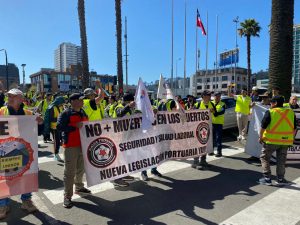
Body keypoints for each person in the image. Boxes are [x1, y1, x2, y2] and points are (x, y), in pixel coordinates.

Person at [0, 88, 43, 219]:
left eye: (13, 96)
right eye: (9, 96)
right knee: (4, 178)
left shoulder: (28, 113)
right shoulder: (1, 111)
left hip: (23, 150)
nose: (10, 98)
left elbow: (39, 131)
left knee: (26, 174)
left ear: (21, 99)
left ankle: (26, 200)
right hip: (5, 151)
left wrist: (40, 123)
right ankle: (3, 204)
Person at [56, 93, 91, 208]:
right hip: (71, 146)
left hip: (83, 145)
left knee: (81, 169)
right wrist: (74, 126)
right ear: (73, 101)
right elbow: (59, 127)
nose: (82, 102)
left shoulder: (82, 112)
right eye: (80, 100)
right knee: (69, 172)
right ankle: (67, 196)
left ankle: (79, 187)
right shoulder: (66, 113)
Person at [258, 96, 295, 186]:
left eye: (271, 102)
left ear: (275, 103)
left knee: (265, 158)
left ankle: (267, 179)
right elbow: (294, 128)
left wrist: (261, 137)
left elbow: (263, 126)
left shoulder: (271, 112)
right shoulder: (290, 112)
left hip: (271, 141)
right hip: (285, 142)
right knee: (281, 160)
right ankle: (280, 179)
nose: (270, 104)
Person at [111, 93, 136, 187]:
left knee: (125, 157)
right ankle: (117, 178)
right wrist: (128, 106)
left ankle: (124, 174)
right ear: (128, 101)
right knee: (119, 158)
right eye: (131, 101)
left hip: (126, 137)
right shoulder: (119, 107)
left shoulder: (128, 108)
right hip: (119, 137)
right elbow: (119, 115)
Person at [192, 90, 216, 170]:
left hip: (207, 128)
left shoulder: (211, 104)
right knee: (198, 145)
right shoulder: (197, 104)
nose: (209, 97)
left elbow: (215, 113)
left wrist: (213, 111)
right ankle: (195, 162)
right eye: (207, 95)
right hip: (198, 129)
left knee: (206, 144)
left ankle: (203, 160)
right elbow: (191, 115)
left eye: (209, 95)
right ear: (203, 96)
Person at [44, 96, 65, 161]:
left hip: (60, 126)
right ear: (58, 102)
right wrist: (60, 118)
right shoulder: (52, 108)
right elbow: (51, 119)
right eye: (61, 103)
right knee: (56, 141)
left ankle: (57, 153)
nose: (62, 104)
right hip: (54, 127)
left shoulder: (61, 107)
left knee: (60, 141)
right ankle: (56, 154)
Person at [211, 92, 225, 157]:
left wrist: (214, 112)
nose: (217, 97)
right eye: (216, 96)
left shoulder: (222, 104)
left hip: (219, 124)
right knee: (211, 138)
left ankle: (219, 152)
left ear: (220, 97)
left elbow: (220, 112)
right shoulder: (211, 103)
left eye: (219, 96)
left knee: (218, 138)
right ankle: (211, 151)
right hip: (211, 123)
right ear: (214, 97)